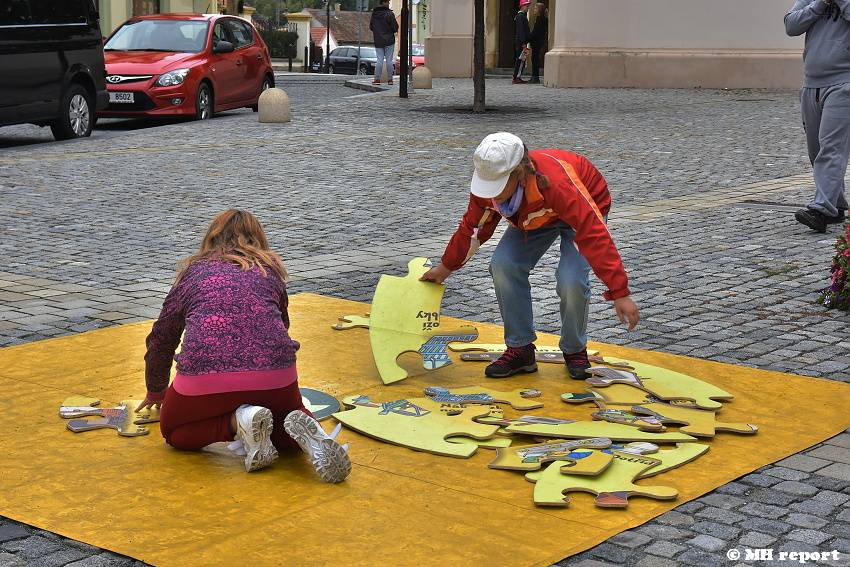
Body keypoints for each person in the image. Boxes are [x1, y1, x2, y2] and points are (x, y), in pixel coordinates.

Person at [136, 209, 351, 482]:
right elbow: (280, 326)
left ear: (210, 238)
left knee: (176, 432)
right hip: (275, 375)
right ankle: (311, 436)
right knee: (288, 419)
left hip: (205, 378)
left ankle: (238, 423)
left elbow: (162, 338)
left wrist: (156, 391)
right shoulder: (269, 271)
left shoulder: (194, 274)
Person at [421, 133, 640, 380]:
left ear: (520, 173)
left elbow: (593, 234)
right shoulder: (488, 187)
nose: (492, 193)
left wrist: (619, 292)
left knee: (571, 279)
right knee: (503, 264)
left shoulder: (557, 184)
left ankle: (575, 349)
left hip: (582, 208)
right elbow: (473, 229)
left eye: (499, 185)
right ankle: (520, 349)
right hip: (535, 216)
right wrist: (445, 267)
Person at [785, 0, 850, 232]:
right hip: (811, 83)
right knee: (816, 150)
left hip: (844, 83)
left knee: (832, 148)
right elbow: (790, 25)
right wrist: (820, 4)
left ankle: (821, 209)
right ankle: (837, 204)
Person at [370, 0, 398, 86]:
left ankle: (377, 79)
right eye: (387, 2)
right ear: (383, 3)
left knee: (379, 60)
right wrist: (389, 32)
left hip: (378, 40)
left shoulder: (374, 14)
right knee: (389, 60)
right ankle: (390, 80)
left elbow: (371, 27)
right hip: (389, 40)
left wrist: (378, 33)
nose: (389, 4)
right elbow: (395, 27)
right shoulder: (389, 14)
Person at [513, 0, 532, 85]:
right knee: (520, 60)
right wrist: (523, 42)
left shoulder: (522, 16)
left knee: (522, 60)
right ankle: (516, 77)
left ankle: (518, 76)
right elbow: (521, 30)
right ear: (522, 6)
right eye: (527, 6)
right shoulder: (520, 16)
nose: (528, 8)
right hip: (521, 42)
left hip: (522, 41)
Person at [529, 3, 549, 84]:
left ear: (540, 10)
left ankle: (535, 77)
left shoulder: (541, 19)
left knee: (535, 59)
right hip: (536, 42)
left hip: (537, 43)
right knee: (534, 59)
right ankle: (534, 77)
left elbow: (537, 32)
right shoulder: (540, 18)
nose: (534, 10)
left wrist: (528, 37)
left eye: (535, 8)